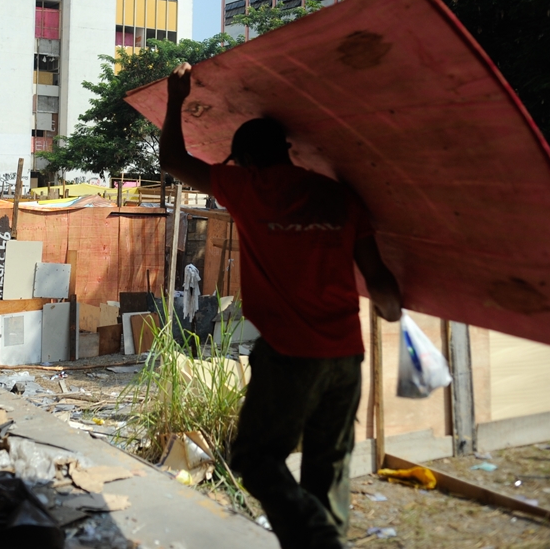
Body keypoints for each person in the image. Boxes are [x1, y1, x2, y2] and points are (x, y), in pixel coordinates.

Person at [159, 62, 403, 549]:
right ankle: (323, 537)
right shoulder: (339, 198)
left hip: (292, 355)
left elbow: (173, 159)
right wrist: (394, 310)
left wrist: (176, 97)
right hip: (345, 357)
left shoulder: (250, 190)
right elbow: (381, 284)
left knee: (255, 458)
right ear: (287, 152)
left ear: (246, 160)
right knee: (327, 468)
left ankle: (318, 540)